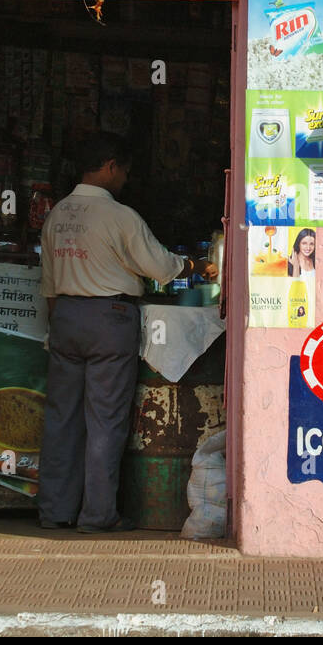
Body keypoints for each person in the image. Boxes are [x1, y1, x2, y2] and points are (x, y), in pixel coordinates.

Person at [38, 132, 217, 533]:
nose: (123, 180)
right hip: (108, 318)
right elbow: (158, 266)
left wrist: (61, 320)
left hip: (65, 316)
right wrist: (192, 266)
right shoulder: (120, 216)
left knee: (62, 419)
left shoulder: (58, 215)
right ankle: (98, 515)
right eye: (123, 172)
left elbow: (48, 283)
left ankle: (55, 511)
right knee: (105, 420)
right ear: (110, 166)